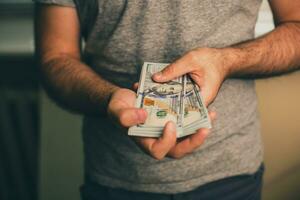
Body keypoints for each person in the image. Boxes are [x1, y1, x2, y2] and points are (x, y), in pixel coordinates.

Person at [34, 0, 300, 199]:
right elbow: (55, 58)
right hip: (114, 177)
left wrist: (228, 61)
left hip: (231, 175)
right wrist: (109, 99)